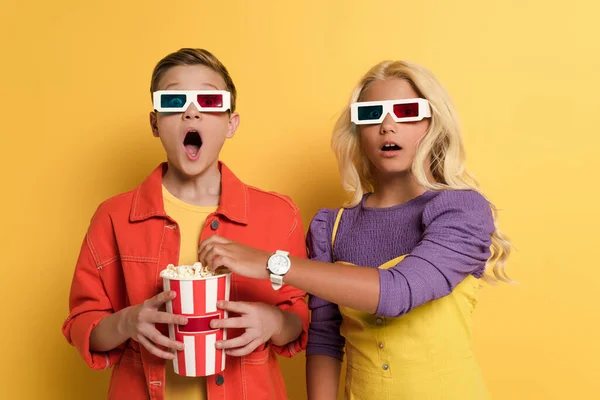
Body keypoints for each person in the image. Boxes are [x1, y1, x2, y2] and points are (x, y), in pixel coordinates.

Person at [197, 59, 512, 399]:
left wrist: (274, 263)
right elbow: (325, 339)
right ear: (357, 131)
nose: (387, 126)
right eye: (371, 114)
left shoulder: (461, 209)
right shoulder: (331, 227)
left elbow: (398, 292)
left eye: (407, 111)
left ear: (434, 122)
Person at [62, 48, 309, 400]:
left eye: (208, 100)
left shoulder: (278, 214)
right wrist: (128, 322)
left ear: (231, 123)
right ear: (154, 122)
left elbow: (298, 316)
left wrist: (273, 322)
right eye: (175, 99)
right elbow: (83, 324)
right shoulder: (114, 217)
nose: (191, 111)